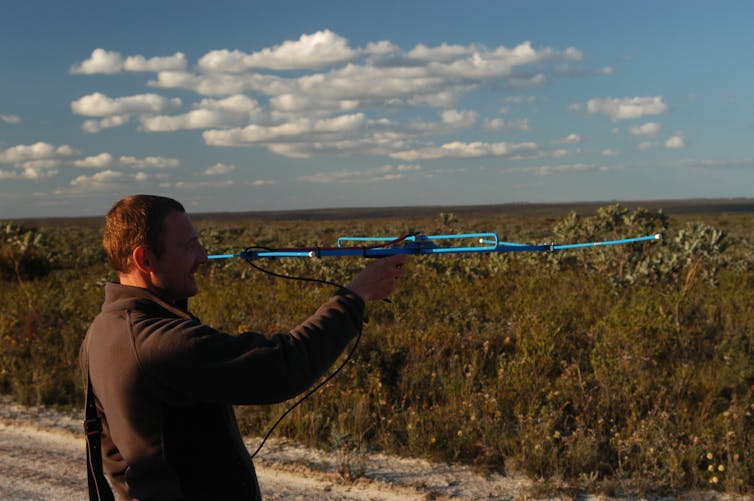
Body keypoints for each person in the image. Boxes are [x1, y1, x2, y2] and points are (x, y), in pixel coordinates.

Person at [80, 194, 407, 500]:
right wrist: (355, 297)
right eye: (190, 247)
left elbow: (112, 453)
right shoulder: (157, 340)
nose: (203, 257)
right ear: (145, 258)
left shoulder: (101, 331)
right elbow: (282, 366)